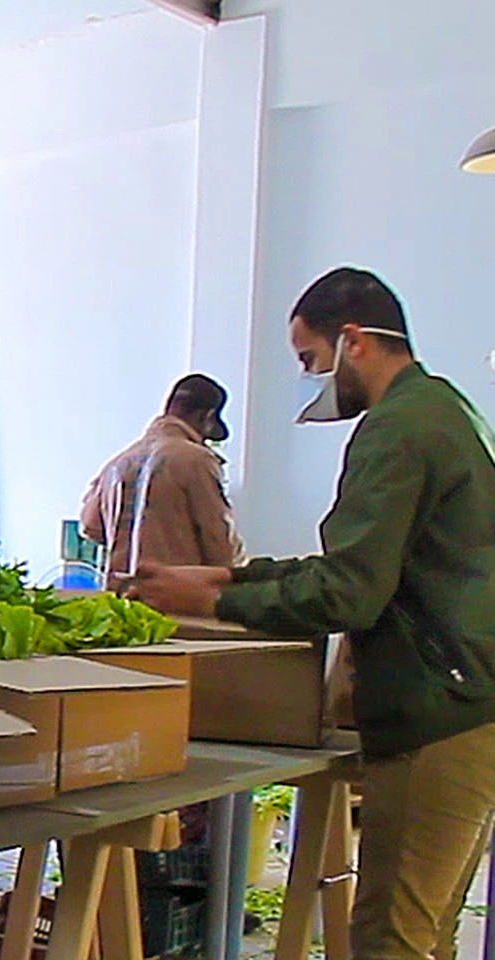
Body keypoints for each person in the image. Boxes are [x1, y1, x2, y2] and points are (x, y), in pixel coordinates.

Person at [129, 268, 495, 960]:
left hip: (435, 712)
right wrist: (227, 573)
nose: (308, 378)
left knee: (391, 939)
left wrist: (209, 600)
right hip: (469, 703)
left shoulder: (396, 430)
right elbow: (364, 563)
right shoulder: (446, 410)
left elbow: (348, 592)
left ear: (352, 340)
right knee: (426, 934)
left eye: (309, 360)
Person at [79, 373, 244, 583]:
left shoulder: (118, 463)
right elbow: (220, 545)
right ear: (207, 417)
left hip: (121, 599)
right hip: (176, 599)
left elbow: (90, 525)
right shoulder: (196, 460)